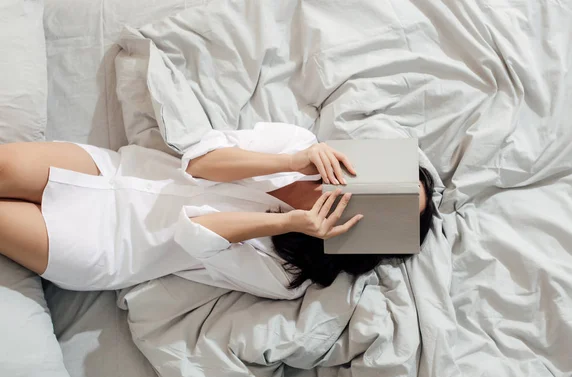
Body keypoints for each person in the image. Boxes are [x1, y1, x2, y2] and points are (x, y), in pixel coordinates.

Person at [0, 123, 435, 299]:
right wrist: (289, 161)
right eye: (391, 186)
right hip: (115, 171)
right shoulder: (295, 142)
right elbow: (198, 163)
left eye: (388, 211)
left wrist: (287, 222)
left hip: (110, 246)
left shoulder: (290, 276)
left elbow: (193, 231)